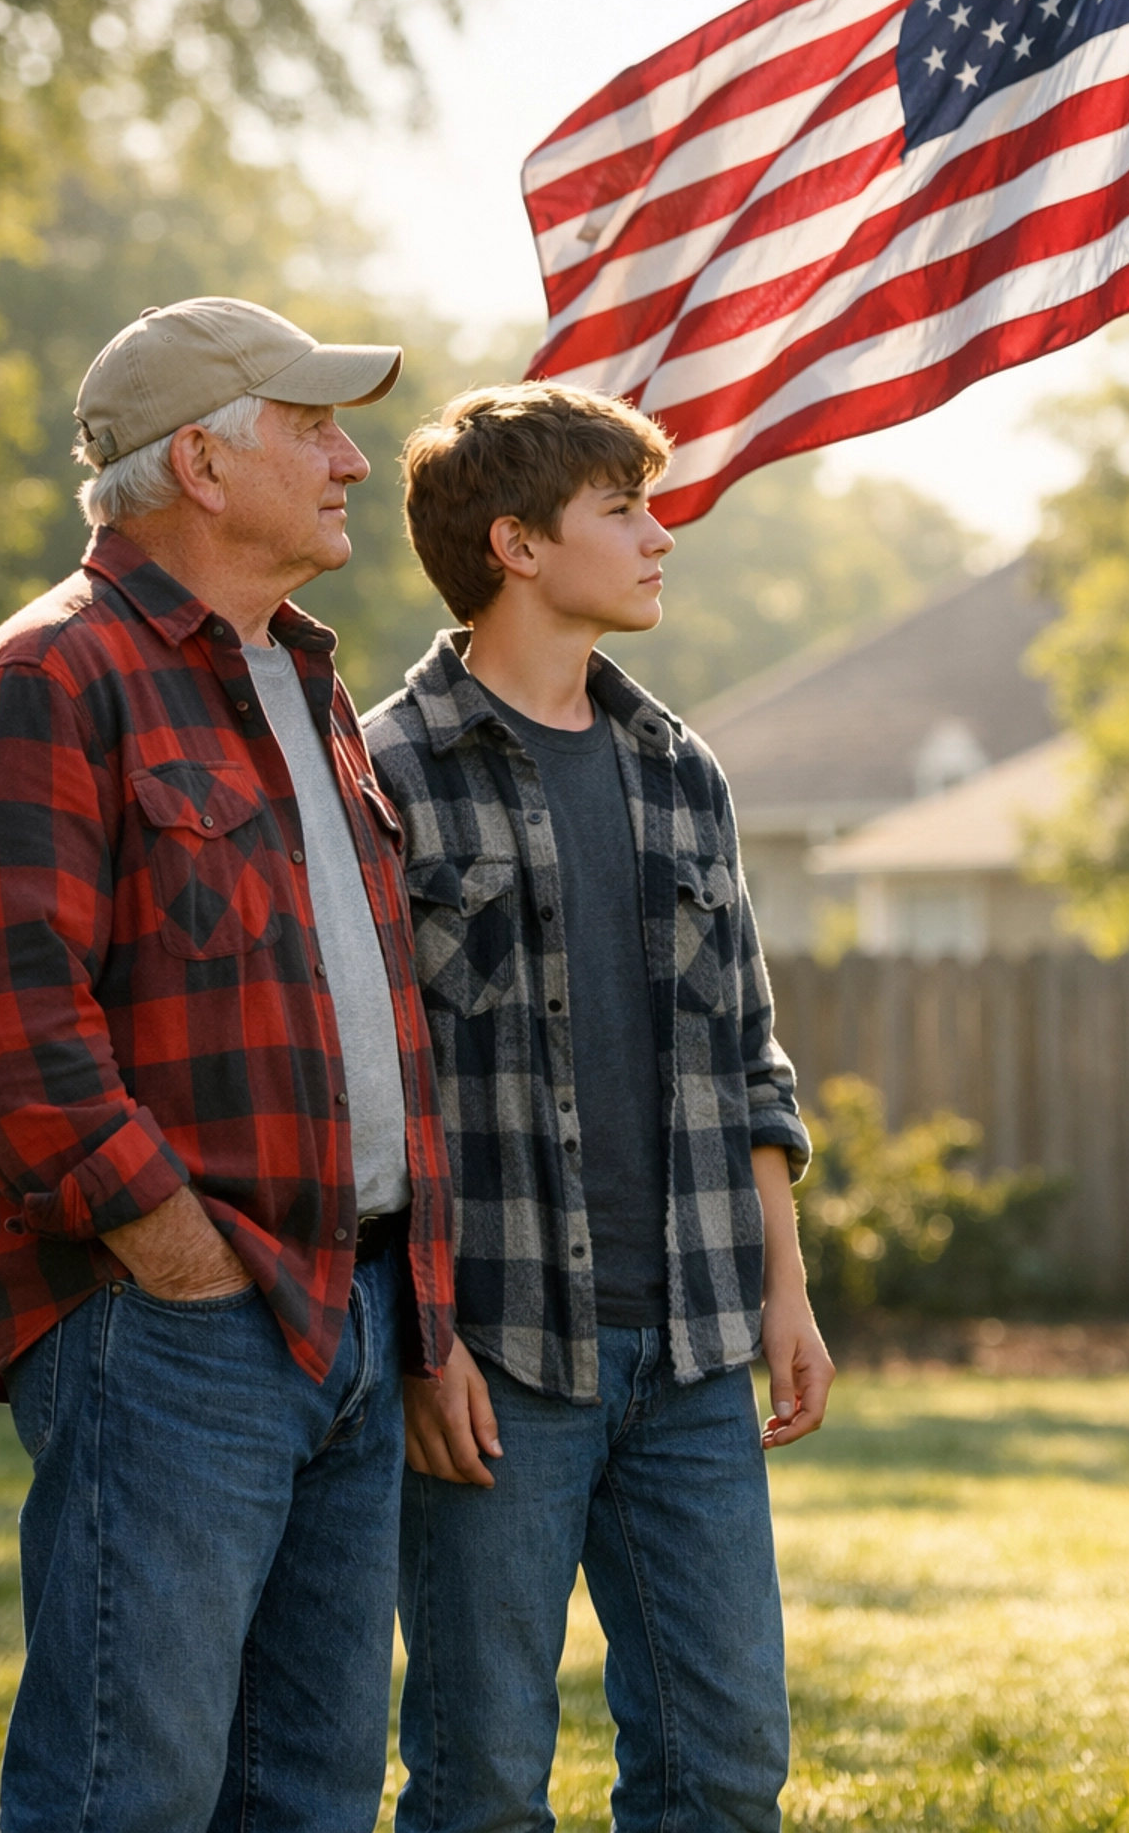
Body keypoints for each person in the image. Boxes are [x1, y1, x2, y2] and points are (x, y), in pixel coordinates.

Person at [0, 296, 455, 1833]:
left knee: (310, 1793)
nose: (354, 463)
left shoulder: (305, 681)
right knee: (127, 1792)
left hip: (342, 1313)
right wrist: (173, 1245)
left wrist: (397, 1295)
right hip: (176, 1325)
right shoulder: (51, 677)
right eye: (313, 429)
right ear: (203, 466)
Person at [363, 381, 835, 1833]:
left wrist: (786, 1291)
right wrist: (425, 1338)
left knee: (726, 1764)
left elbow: (746, 1052)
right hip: (497, 1355)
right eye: (622, 510)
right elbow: (373, 1095)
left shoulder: (681, 768)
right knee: (482, 1777)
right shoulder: (384, 774)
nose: (659, 535)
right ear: (514, 543)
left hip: (693, 1348)